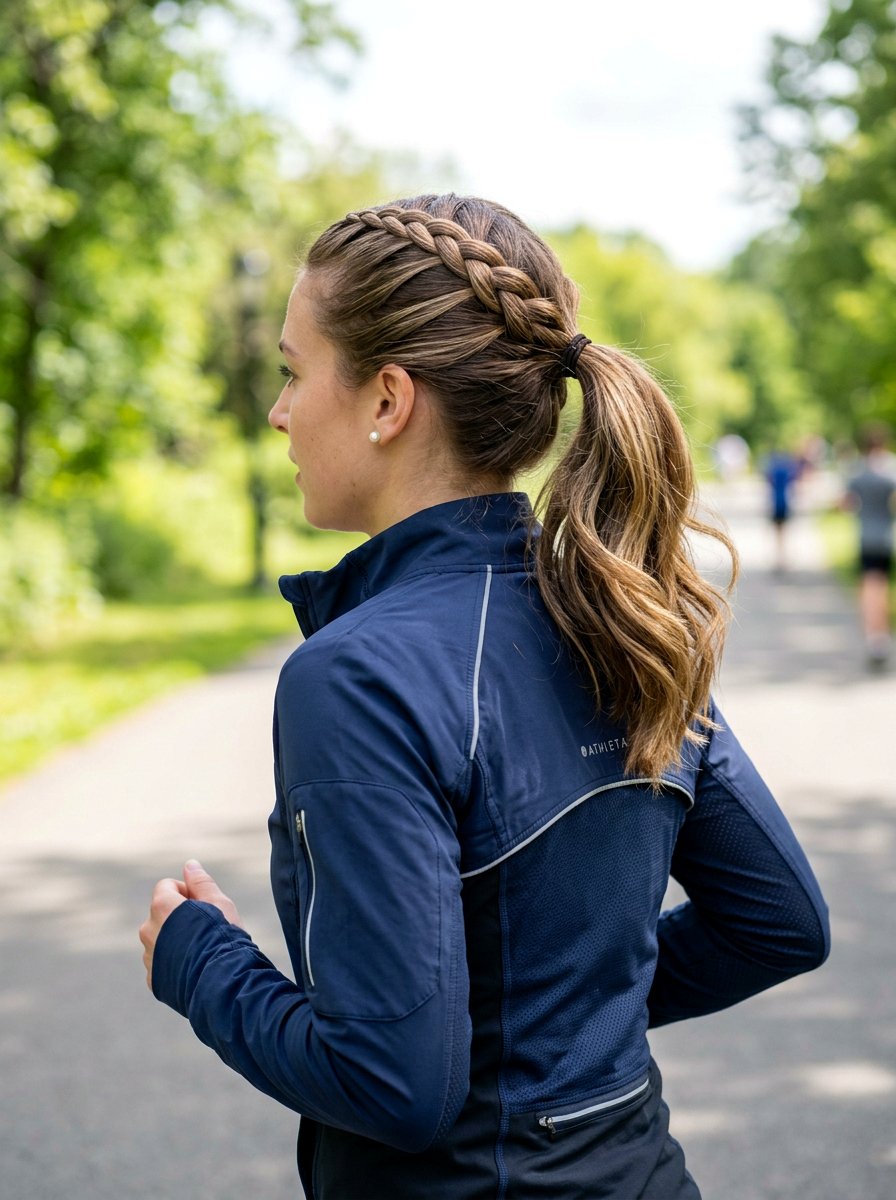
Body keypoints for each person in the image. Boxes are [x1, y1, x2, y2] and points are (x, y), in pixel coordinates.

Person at [139, 195, 830, 1200]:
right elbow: (777, 922)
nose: (279, 412)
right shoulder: (623, 617)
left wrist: (197, 961)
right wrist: (564, 1029)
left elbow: (389, 1083)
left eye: (293, 372)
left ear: (387, 400)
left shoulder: (358, 676)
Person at [843, 424, 896, 669]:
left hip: (866, 538)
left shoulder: (858, 472)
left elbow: (847, 504)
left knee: (868, 588)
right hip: (885, 538)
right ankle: (881, 635)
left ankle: (873, 637)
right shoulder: (890, 471)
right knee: (881, 587)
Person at [763, 446, 801, 573]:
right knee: (784, 533)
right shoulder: (787, 471)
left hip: (775, 504)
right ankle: (783, 559)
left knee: (777, 534)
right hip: (784, 504)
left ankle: (779, 559)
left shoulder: (773, 471)